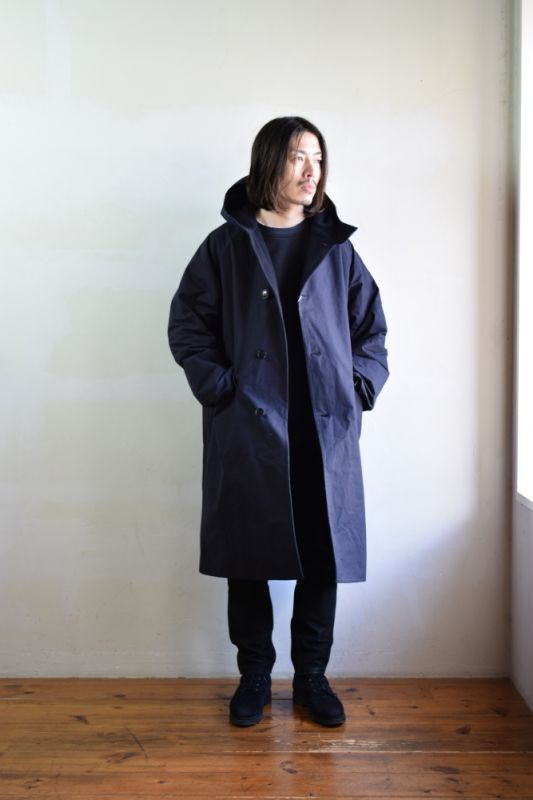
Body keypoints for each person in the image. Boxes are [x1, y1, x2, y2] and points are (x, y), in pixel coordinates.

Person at [168, 116, 388, 728]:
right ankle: (255, 677)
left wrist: (358, 387)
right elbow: (188, 326)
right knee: (248, 557)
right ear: (269, 162)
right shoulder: (225, 247)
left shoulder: (337, 250)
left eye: (318, 157)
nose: (311, 170)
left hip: (322, 428)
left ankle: (312, 678)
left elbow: (371, 330)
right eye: (297, 157)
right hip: (251, 427)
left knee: (322, 554)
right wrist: (221, 389)